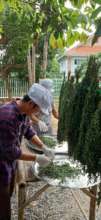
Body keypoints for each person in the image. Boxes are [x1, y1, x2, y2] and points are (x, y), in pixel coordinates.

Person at [0, 83, 54, 220]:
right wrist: (36, 158)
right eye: (39, 111)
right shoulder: (7, 117)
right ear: (31, 104)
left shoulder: (23, 112)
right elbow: (11, 151)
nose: (39, 114)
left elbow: (28, 131)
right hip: (1, 165)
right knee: (3, 208)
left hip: (9, 164)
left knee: (7, 195)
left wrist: (43, 147)